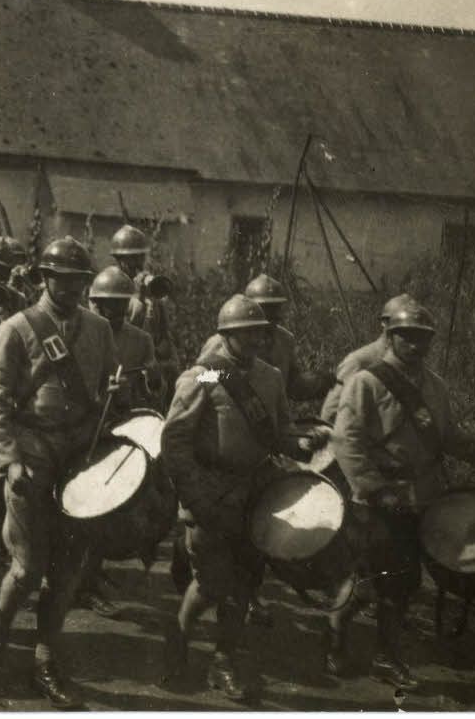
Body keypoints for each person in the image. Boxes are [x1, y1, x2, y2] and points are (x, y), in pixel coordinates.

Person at [0, 237, 118, 709]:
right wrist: (9, 460)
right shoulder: (16, 329)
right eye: (65, 280)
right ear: (45, 278)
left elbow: (107, 385)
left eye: (81, 281)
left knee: (69, 569)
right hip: (32, 455)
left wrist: (116, 393)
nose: (74, 289)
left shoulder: (99, 328)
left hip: (78, 458)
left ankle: (45, 659)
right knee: (26, 567)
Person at [161, 294, 322, 701]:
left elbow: (280, 432)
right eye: (245, 333)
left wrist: (301, 444)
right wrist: (194, 496)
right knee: (211, 582)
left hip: (256, 494)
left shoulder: (271, 377)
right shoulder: (206, 376)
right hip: (211, 493)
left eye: (260, 333)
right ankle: (178, 640)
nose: (255, 340)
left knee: (245, 583)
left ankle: (223, 660)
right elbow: (175, 441)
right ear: (225, 335)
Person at [329, 300, 475, 690]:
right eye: (407, 337)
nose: (416, 345)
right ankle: (343, 638)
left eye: (423, 338)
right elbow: (347, 442)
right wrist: (375, 489)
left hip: (421, 497)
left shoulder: (435, 386)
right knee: (378, 580)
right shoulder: (366, 382)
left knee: (397, 581)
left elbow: (446, 435)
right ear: (390, 336)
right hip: (377, 501)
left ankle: (372, 649)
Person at [74, 264, 163, 618]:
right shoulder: (78, 332)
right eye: (104, 304)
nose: (112, 312)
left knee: (108, 506)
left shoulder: (140, 340)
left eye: (119, 304)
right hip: (82, 429)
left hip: (120, 426)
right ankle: (76, 579)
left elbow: (153, 389)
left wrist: (151, 380)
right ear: (91, 302)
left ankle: (88, 576)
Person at [199, 274, 335, 405]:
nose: (271, 313)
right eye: (265, 308)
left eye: (275, 307)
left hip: (270, 415)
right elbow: (202, 380)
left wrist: (318, 382)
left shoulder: (285, 339)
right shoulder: (225, 341)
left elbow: (292, 385)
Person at [321, 293, 421, 423]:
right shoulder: (359, 361)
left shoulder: (416, 363)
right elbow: (330, 415)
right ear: (384, 323)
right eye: (400, 324)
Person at [111, 224, 181, 402]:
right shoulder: (108, 289)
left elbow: (165, 339)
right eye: (132, 258)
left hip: (150, 381)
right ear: (119, 259)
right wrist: (138, 299)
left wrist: (166, 366)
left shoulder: (152, 297)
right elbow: (116, 334)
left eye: (140, 257)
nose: (137, 264)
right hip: (122, 374)